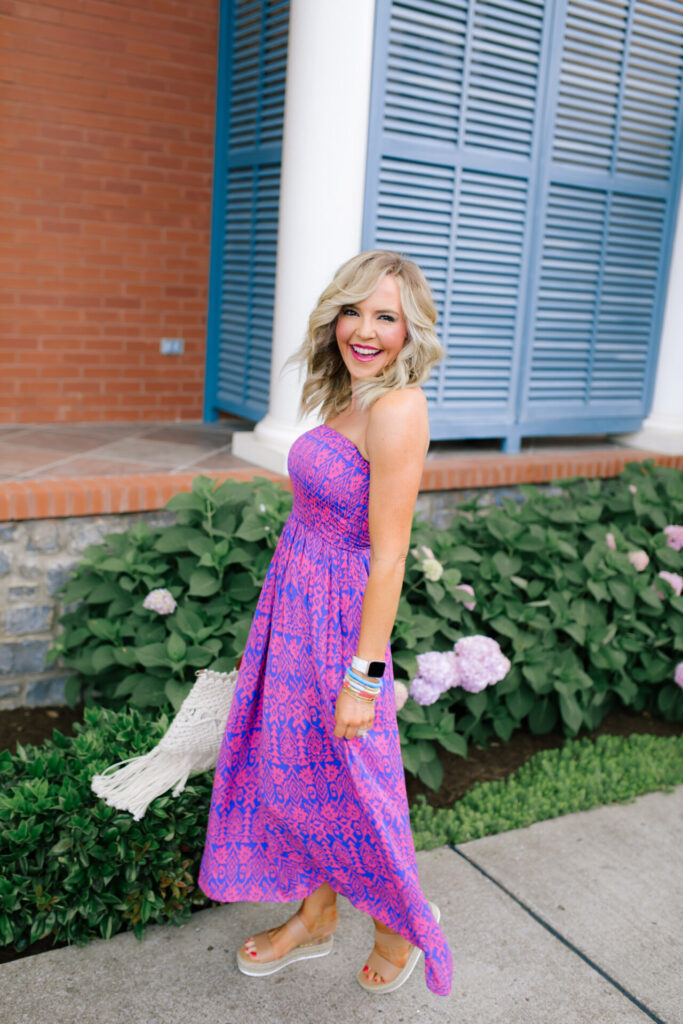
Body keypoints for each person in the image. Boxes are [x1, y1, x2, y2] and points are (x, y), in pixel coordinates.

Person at [198, 249, 453, 997]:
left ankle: (397, 926)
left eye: (386, 316)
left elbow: (389, 556)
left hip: (342, 624)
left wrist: (362, 678)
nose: (364, 329)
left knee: (355, 782)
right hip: (295, 606)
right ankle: (314, 915)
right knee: (291, 771)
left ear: (412, 330)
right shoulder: (349, 392)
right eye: (353, 310)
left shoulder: (398, 407)